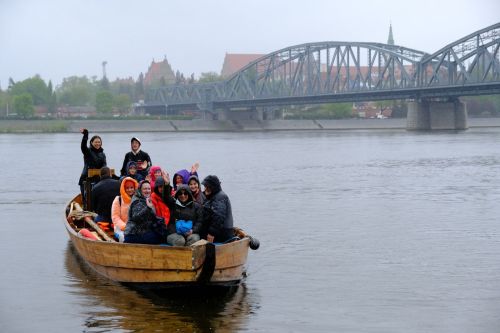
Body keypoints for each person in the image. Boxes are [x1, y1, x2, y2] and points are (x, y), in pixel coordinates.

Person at [124, 180, 168, 244]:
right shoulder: (137, 201)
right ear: (140, 190)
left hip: (142, 232)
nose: (147, 191)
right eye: (145, 189)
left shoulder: (145, 199)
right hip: (133, 234)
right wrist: (148, 208)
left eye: (149, 189)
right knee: (160, 238)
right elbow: (136, 217)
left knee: (162, 234)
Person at [201, 175, 235, 243]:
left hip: (222, 233)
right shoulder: (211, 196)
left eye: (208, 187)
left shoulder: (220, 197)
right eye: (205, 186)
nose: (205, 189)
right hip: (218, 231)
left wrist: (211, 234)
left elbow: (218, 217)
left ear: (213, 187)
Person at [78, 128, 107, 200]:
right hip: (86, 179)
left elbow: (104, 165)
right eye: (95, 142)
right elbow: (83, 146)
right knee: (86, 198)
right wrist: (85, 134)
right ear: (91, 143)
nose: (97, 144)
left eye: (99, 142)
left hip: (98, 179)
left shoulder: (102, 154)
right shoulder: (87, 152)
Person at [111, 177, 138, 242]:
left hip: (135, 229)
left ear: (135, 188)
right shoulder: (118, 199)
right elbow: (115, 217)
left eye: (131, 187)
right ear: (124, 189)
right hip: (120, 229)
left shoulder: (138, 199)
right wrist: (125, 227)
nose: (130, 190)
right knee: (124, 238)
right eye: (127, 188)